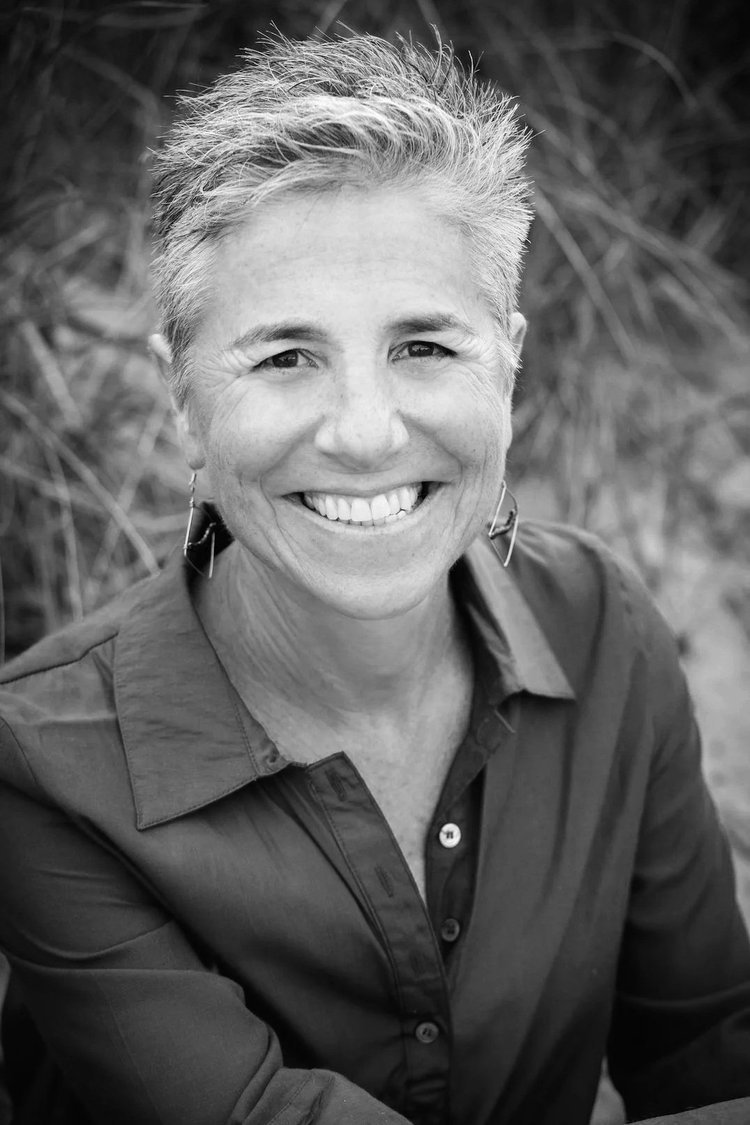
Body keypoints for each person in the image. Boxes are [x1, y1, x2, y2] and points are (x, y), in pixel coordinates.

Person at [0, 30, 748, 1125]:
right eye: (284, 356)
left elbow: (708, 1046)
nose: (364, 433)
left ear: (510, 363)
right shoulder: (46, 766)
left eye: (425, 348)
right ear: (182, 406)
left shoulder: (604, 627)